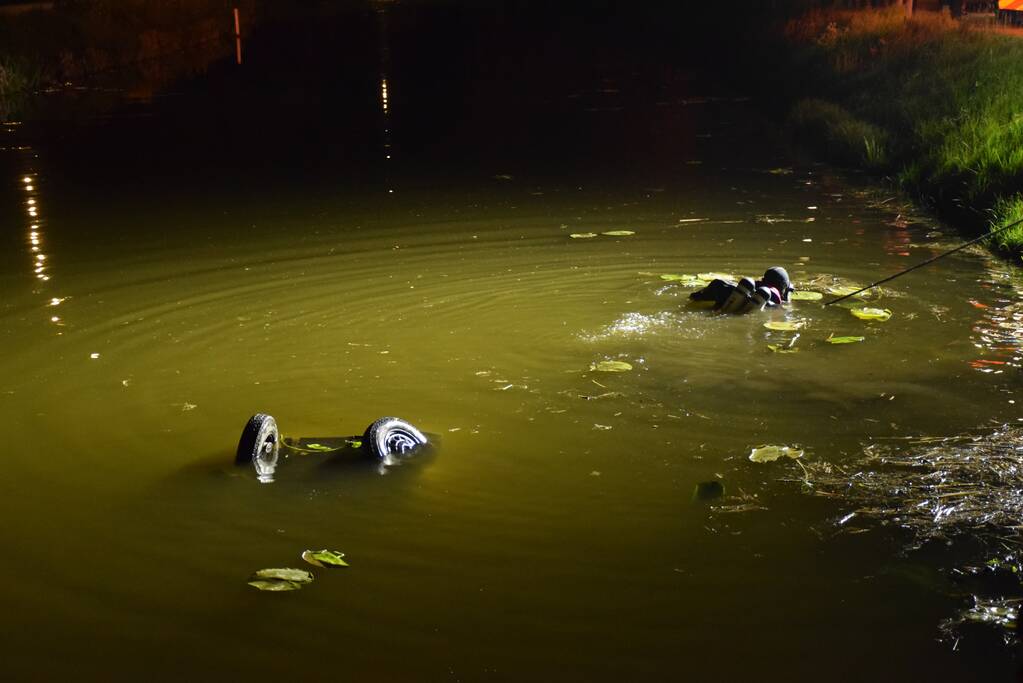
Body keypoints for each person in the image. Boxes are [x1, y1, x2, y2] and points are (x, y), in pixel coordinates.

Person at [689, 266, 794, 313]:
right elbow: (786, 309)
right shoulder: (776, 299)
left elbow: (695, 297)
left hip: (729, 301)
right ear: (784, 287)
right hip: (761, 303)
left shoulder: (749, 287)